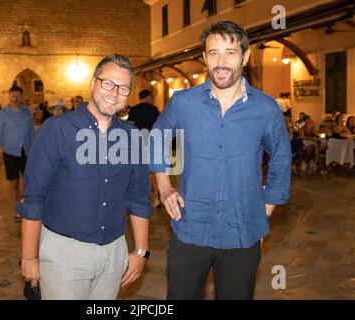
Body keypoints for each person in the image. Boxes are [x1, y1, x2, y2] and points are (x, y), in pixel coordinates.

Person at [149, 21, 291, 300]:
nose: (221, 61)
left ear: (245, 57)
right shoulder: (183, 103)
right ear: (204, 58)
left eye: (230, 52)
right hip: (190, 227)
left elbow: (282, 160)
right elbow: (157, 138)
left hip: (242, 233)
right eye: (213, 53)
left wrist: (265, 213)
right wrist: (164, 187)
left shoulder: (265, 108)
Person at [19, 54, 153, 300]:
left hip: (114, 251)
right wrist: (29, 257)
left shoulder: (132, 137)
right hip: (64, 252)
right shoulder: (57, 129)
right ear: (93, 83)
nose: (114, 93)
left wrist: (140, 251)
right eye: (108, 83)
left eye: (123, 88)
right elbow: (34, 197)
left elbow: (139, 196)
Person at [0, 86, 34, 212]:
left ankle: (27, 206)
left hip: (27, 151)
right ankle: (18, 209)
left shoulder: (27, 112)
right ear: (9, 97)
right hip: (10, 153)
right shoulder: (2, 114)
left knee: (29, 181)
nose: (15, 98)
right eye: (13, 96)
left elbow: (31, 132)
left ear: (22, 97)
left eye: (18, 96)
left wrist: (36, 149)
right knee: (14, 183)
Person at [128, 89, 161, 208]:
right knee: (154, 172)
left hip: (138, 142)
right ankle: (157, 198)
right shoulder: (154, 110)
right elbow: (159, 126)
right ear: (148, 97)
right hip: (152, 142)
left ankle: (142, 198)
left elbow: (130, 125)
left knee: (140, 172)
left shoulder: (134, 109)